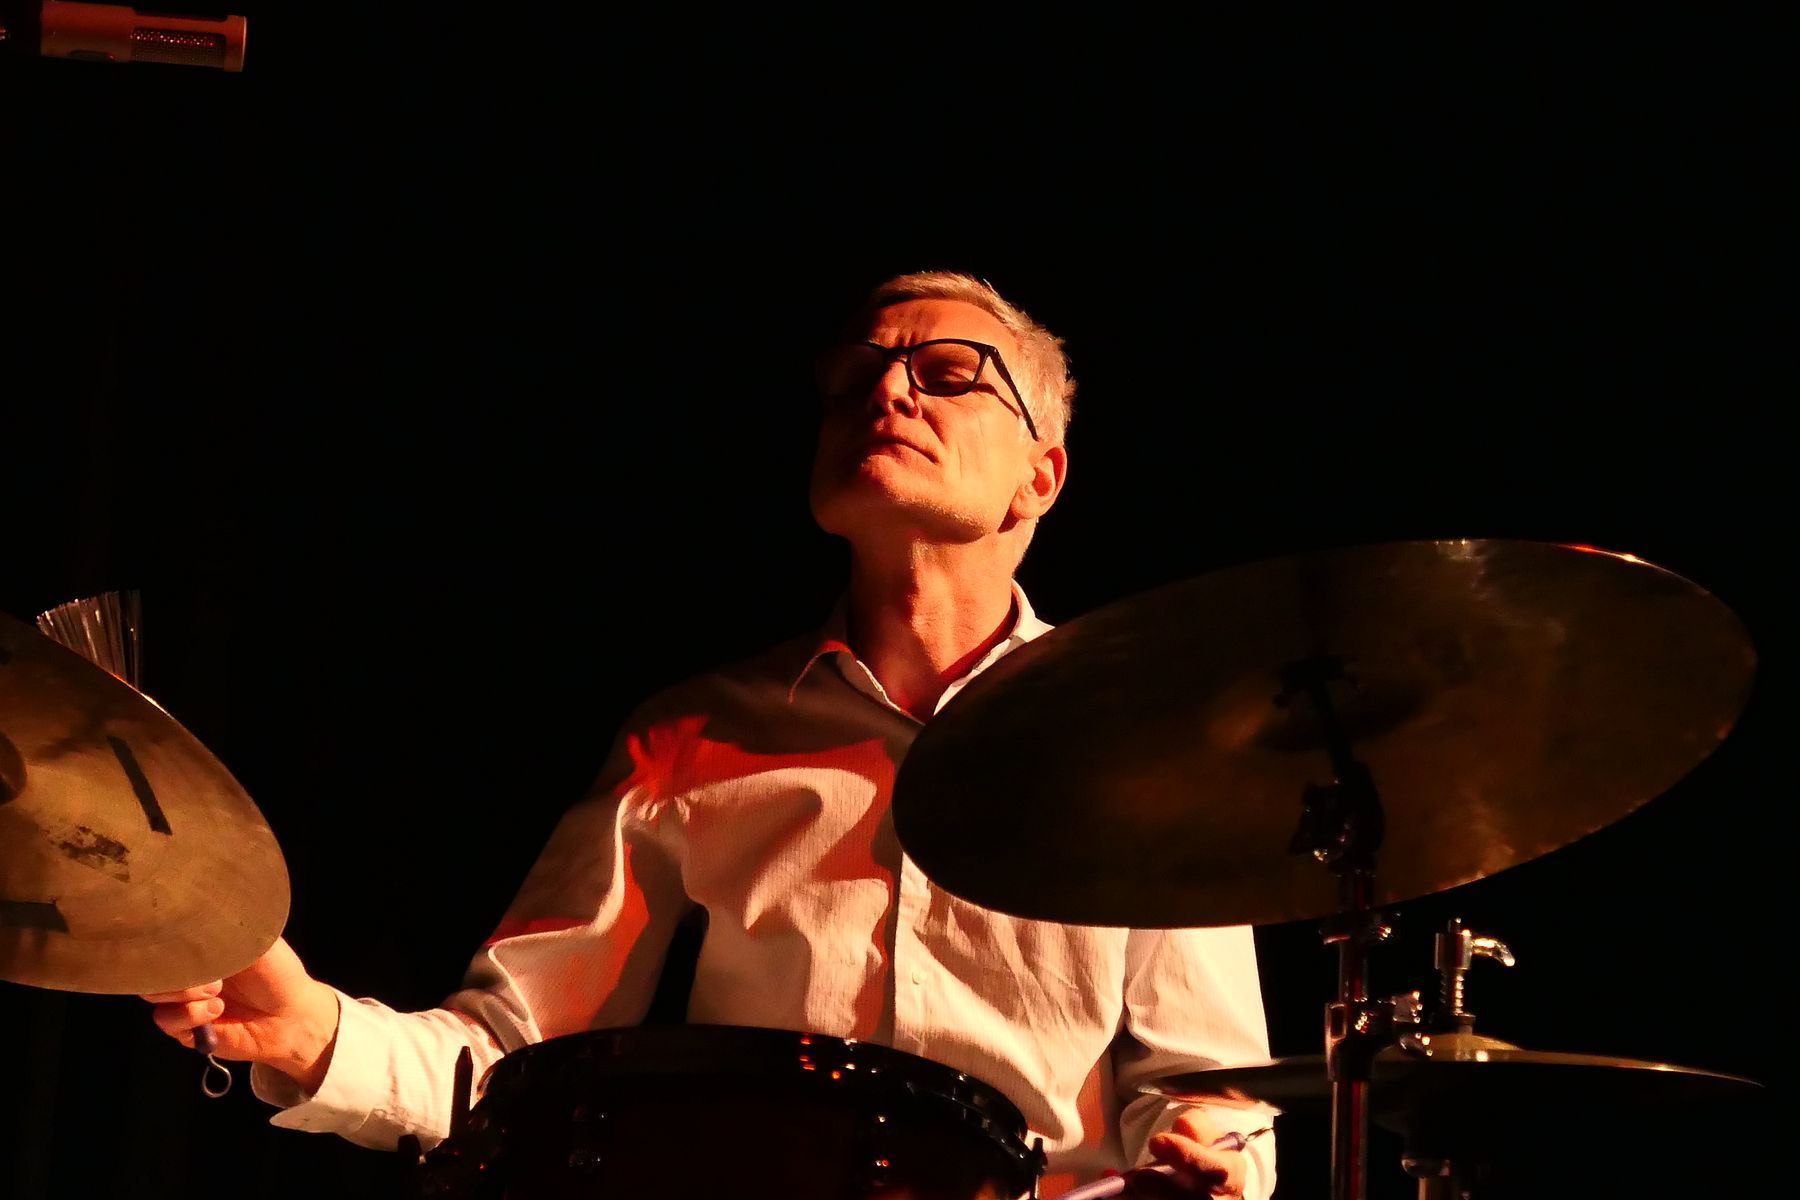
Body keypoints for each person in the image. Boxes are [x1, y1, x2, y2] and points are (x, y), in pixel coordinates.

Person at [142, 271, 1277, 1198]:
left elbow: (1216, 1091)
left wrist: (1216, 1166)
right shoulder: (694, 737)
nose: (887, 391)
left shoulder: (1147, 737)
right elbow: (515, 1062)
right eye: (853, 380)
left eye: (945, 375)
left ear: (1041, 477)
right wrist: (309, 1034)